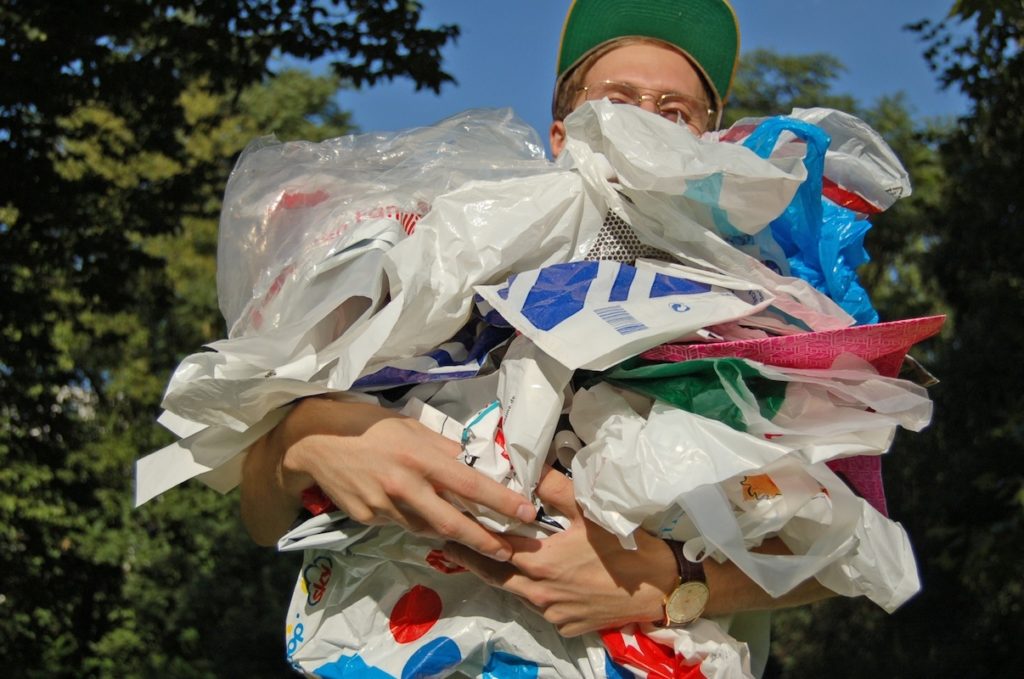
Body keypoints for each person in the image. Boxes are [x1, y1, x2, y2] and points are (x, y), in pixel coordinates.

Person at [241, 0, 832, 671]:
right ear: (562, 132)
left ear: (708, 142)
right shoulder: (450, 251)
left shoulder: (758, 309)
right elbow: (261, 511)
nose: (646, 123)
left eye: (676, 111)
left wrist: (667, 582)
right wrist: (305, 437)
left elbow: (838, 549)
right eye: (618, 98)